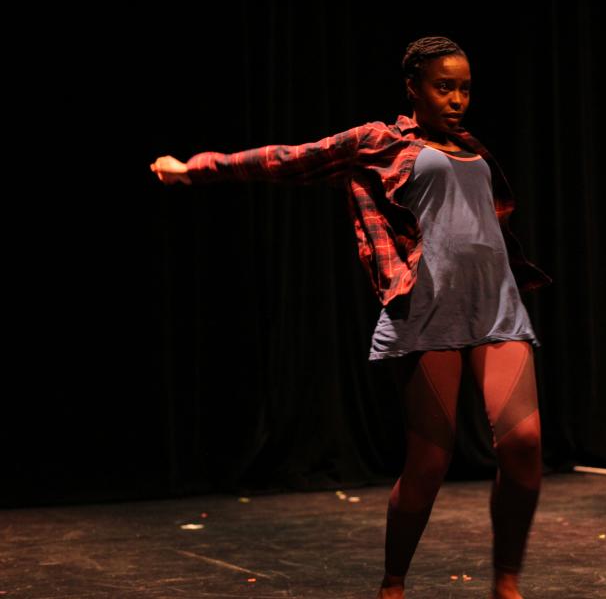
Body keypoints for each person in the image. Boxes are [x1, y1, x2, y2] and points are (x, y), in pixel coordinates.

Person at [151, 37, 550, 599]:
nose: (457, 99)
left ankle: (506, 580)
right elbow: (287, 159)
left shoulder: (472, 147)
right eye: (443, 87)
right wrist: (196, 169)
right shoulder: (379, 141)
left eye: (464, 88)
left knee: (525, 443)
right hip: (427, 310)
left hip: (496, 307)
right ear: (412, 88)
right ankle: (393, 584)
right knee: (428, 465)